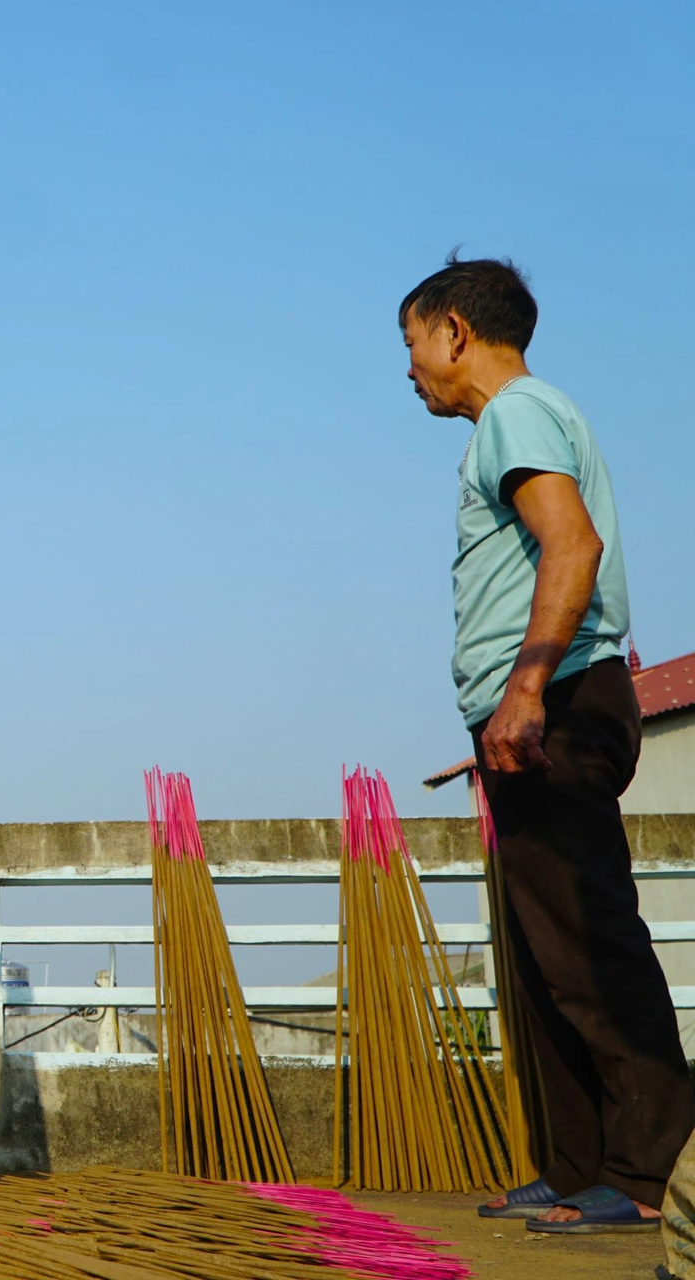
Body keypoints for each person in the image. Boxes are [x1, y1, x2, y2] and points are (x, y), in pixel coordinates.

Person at [400, 255, 692, 1233]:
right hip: (530, 714)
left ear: (454, 332)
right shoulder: (510, 424)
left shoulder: (517, 414)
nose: (410, 372)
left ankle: (649, 1173)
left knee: (588, 937)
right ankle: (578, 1169)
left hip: (556, 701)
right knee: (542, 950)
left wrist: (526, 686)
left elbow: (571, 544)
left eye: (411, 347)